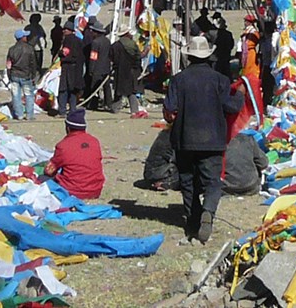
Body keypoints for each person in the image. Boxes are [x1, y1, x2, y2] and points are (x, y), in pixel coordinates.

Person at [163, 34, 240, 243]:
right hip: (213, 139)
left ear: (189, 57)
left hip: (184, 138)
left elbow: (169, 110)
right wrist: (239, 96)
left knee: (187, 181)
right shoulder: (220, 80)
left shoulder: (178, 80)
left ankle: (193, 220)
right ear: (208, 56)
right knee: (213, 182)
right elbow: (230, 106)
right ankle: (208, 212)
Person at [46, 108, 105, 199]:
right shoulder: (94, 141)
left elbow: (49, 171)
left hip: (73, 191)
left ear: (68, 128)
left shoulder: (63, 145)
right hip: (95, 190)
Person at [5, 30, 40, 120]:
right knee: (29, 95)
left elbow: (9, 64)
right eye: (25, 36)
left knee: (16, 95)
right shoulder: (29, 49)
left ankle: (19, 115)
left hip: (14, 75)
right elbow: (33, 64)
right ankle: (29, 115)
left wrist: (9, 76)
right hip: (26, 76)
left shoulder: (11, 49)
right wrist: (33, 76)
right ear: (22, 38)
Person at [221, 131, 269, 195]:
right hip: (250, 186)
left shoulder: (214, 143)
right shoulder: (247, 139)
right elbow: (263, 163)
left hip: (226, 187)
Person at [113, 27, 145, 117]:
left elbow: (112, 57)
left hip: (119, 71)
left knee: (118, 90)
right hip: (132, 71)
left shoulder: (116, 45)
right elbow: (138, 57)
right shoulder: (133, 44)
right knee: (131, 91)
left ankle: (115, 108)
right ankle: (134, 110)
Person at [56, 21, 87, 114]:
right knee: (73, 90)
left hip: (67, 67)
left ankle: (62, 110)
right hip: (76, 68)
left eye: (66, 29)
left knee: (63, 90)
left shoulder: (67, 40)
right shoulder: (79, 40)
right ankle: (72, 109)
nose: (64, 31)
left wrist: (60, 53)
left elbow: (66, 53)